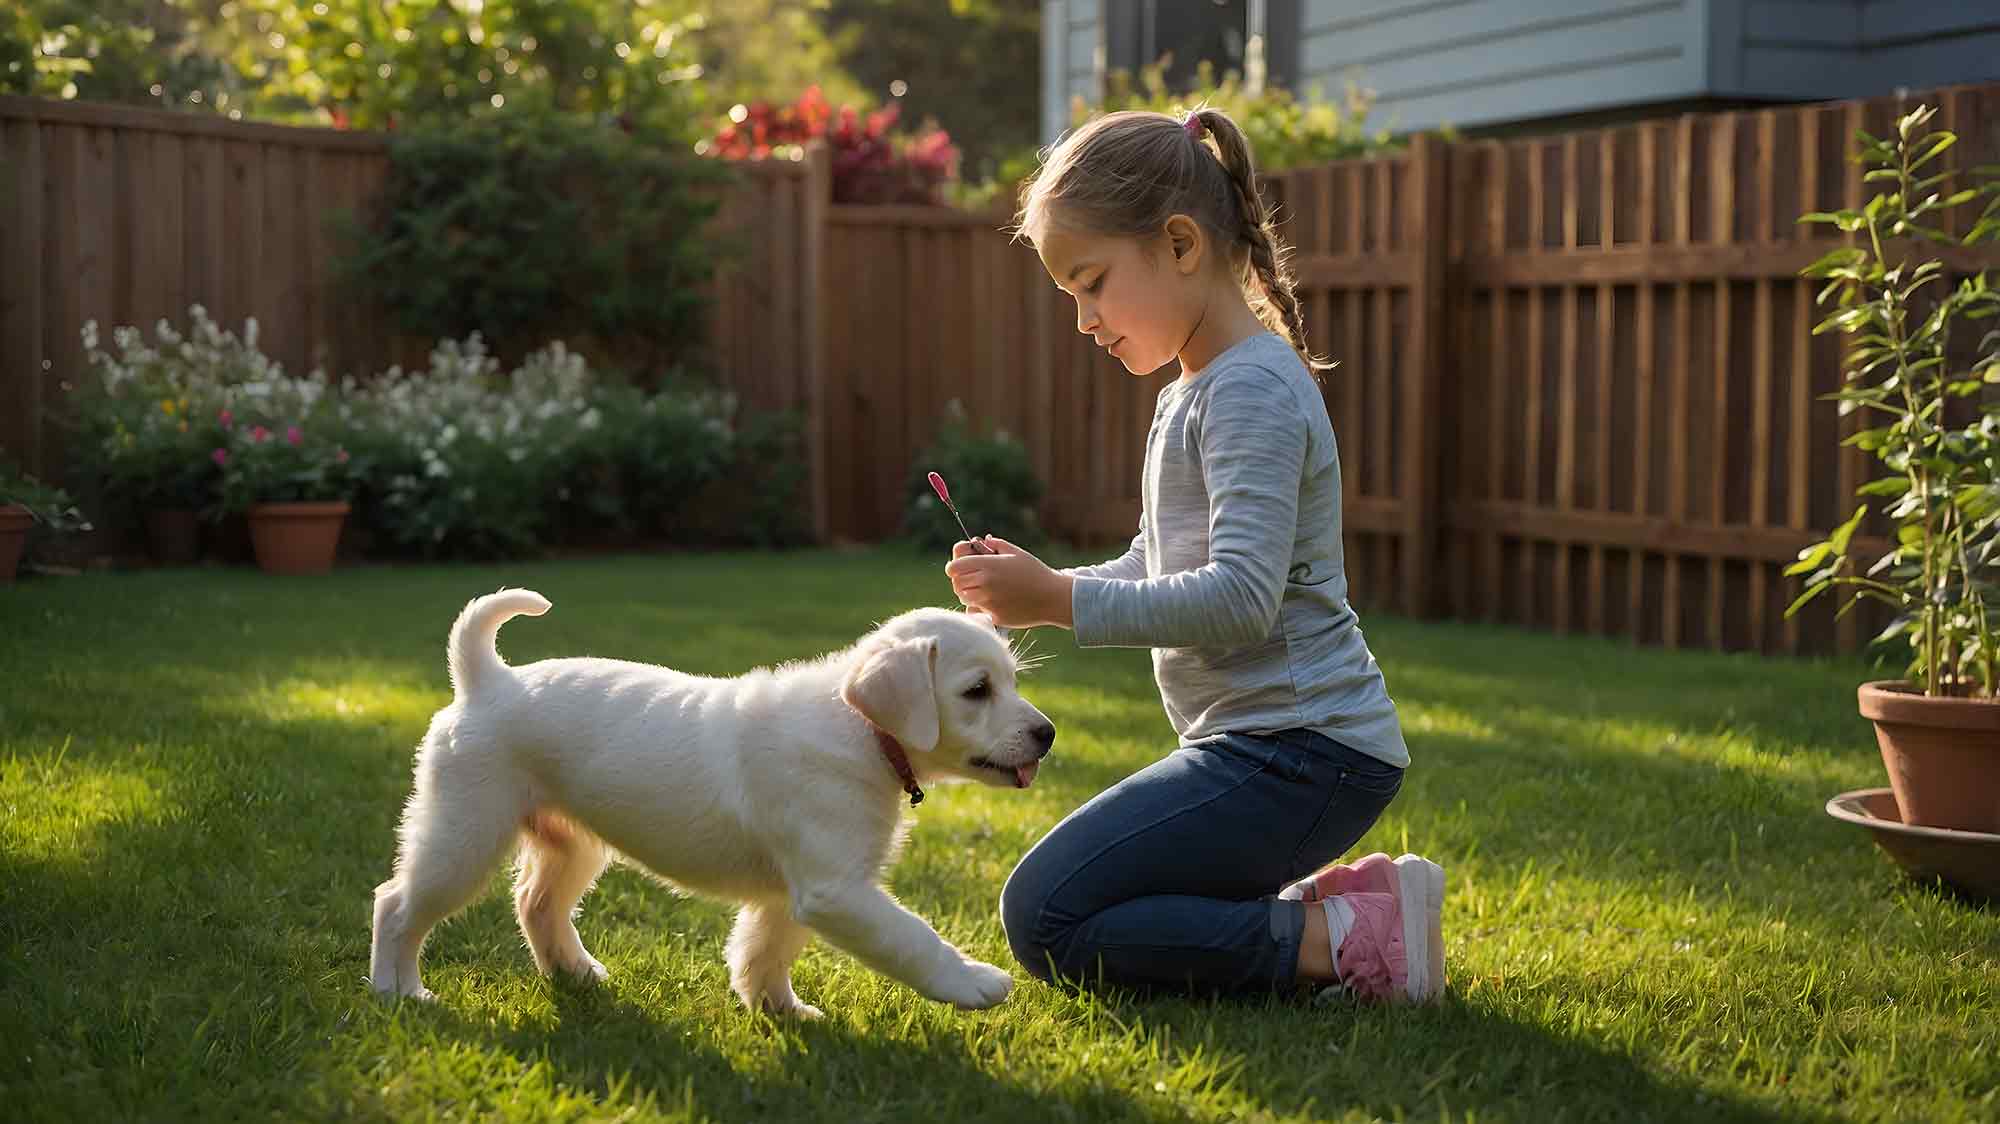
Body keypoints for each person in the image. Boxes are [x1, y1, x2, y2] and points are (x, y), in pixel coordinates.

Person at [944, 106, 1444, 1003]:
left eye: (1092, 283)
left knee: (1046, 916)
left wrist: (1058, 598)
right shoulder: (1198, 388)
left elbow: (1239, 599)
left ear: (1179, 244)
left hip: (1299, 756)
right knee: (1068, 906)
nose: (1086, 319)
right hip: (1270, 752)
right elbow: (1158, 560)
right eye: (1072, 296)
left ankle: (1344, 940)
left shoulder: (1248, 389)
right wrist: (1042, 587)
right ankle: (1341, 910)